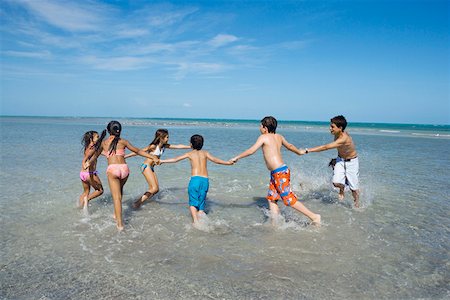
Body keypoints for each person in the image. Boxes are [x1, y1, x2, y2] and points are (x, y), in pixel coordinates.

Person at [231, 116, 321, 226]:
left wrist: (237, 157)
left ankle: (314, 216)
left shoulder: (263, 137)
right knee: (272, 198)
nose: (259, 128)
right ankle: (275, 223)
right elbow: (290, 146)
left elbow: (251, 150)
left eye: (260, 126)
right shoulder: (279, 137)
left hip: (279, 173)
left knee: (288, 200)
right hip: (278, 172)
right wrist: (299, 152)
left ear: (265, 128)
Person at [87, 121, 157, 231]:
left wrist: (88, 162)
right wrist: (152, 157)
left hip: (113, 169)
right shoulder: (123, 141)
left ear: (109, 130)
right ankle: (116, 215)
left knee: (116, 198)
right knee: (120, 191)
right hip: (124, 169)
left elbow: (95, 156)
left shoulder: (104, 143)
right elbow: (137, 151)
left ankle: (120, 225)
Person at [159, 134, 233, 225]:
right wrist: (228, 163)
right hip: (205, 180)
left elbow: (175, 159)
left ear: (191, 144)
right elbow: (216, 160)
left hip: (195, 180)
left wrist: (162, 161)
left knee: (193, 203)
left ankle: (195, 221)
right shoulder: (205, 153)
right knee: (201, 203)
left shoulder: (189, 154)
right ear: (202, 144)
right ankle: (201, 216)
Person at [300, 115, 360, 207]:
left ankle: (357, 204)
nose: (330, 128)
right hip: (340, 160)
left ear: (340, 128)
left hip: (352, 162)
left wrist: (308, 150)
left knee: (354, 189)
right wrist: (336, 160)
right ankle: (342, 188)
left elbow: (325, 147)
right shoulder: (337, 134)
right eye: (330, 126)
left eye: (332, 127)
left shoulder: (343, 138)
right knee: (335, 182)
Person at [125, 129, 190, 209]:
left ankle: (142, 201)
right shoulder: (153, 146)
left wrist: (190, 146)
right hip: (146, 166)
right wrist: (125, 156)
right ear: (161, 138)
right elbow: (138, 151)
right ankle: (137, 203)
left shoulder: (164, 146)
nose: (168, 139)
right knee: (154, 188)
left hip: (151, 168)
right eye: (166, 137)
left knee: (156, 190)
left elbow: (177, 146)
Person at [79, 130, 105, 209]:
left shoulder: (87, 147)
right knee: (100, 190)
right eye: (97, 136)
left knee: (85, 192)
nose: (98, 138)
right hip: (90, 173)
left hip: (82, 174)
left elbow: (97, 153)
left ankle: (80, 207)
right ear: (91, 139)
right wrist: (84, 163)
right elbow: (87, 157)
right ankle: (87, 199)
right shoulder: (93, 148)